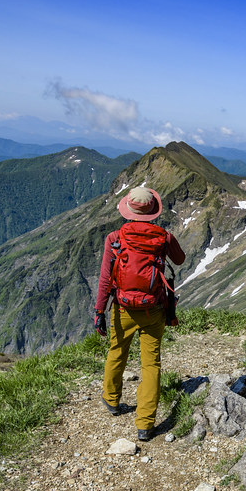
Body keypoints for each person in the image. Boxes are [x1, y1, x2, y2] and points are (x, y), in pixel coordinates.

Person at [93, 186, 185, 441]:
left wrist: (99, 310)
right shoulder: (163, 237)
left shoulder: (114, 237)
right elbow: (180, 260)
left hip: (122, 307)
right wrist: (166, 242)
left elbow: (104, 278)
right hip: (153, 308)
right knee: (151, 364)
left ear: (128, 209)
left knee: (117, 351)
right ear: (153, 212)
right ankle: (145, 424)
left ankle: (111, 400)